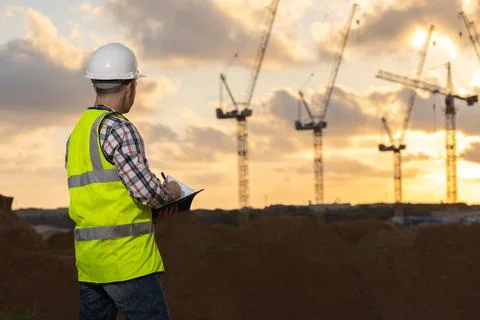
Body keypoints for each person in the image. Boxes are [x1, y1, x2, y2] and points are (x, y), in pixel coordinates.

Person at [65, 42, 181, 320]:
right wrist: (172, 192)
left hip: (91, 265)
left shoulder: (78, 133)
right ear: (130, 87)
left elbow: (103, 198)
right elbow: (146, 193)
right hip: (128, 264)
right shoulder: (119, 128)